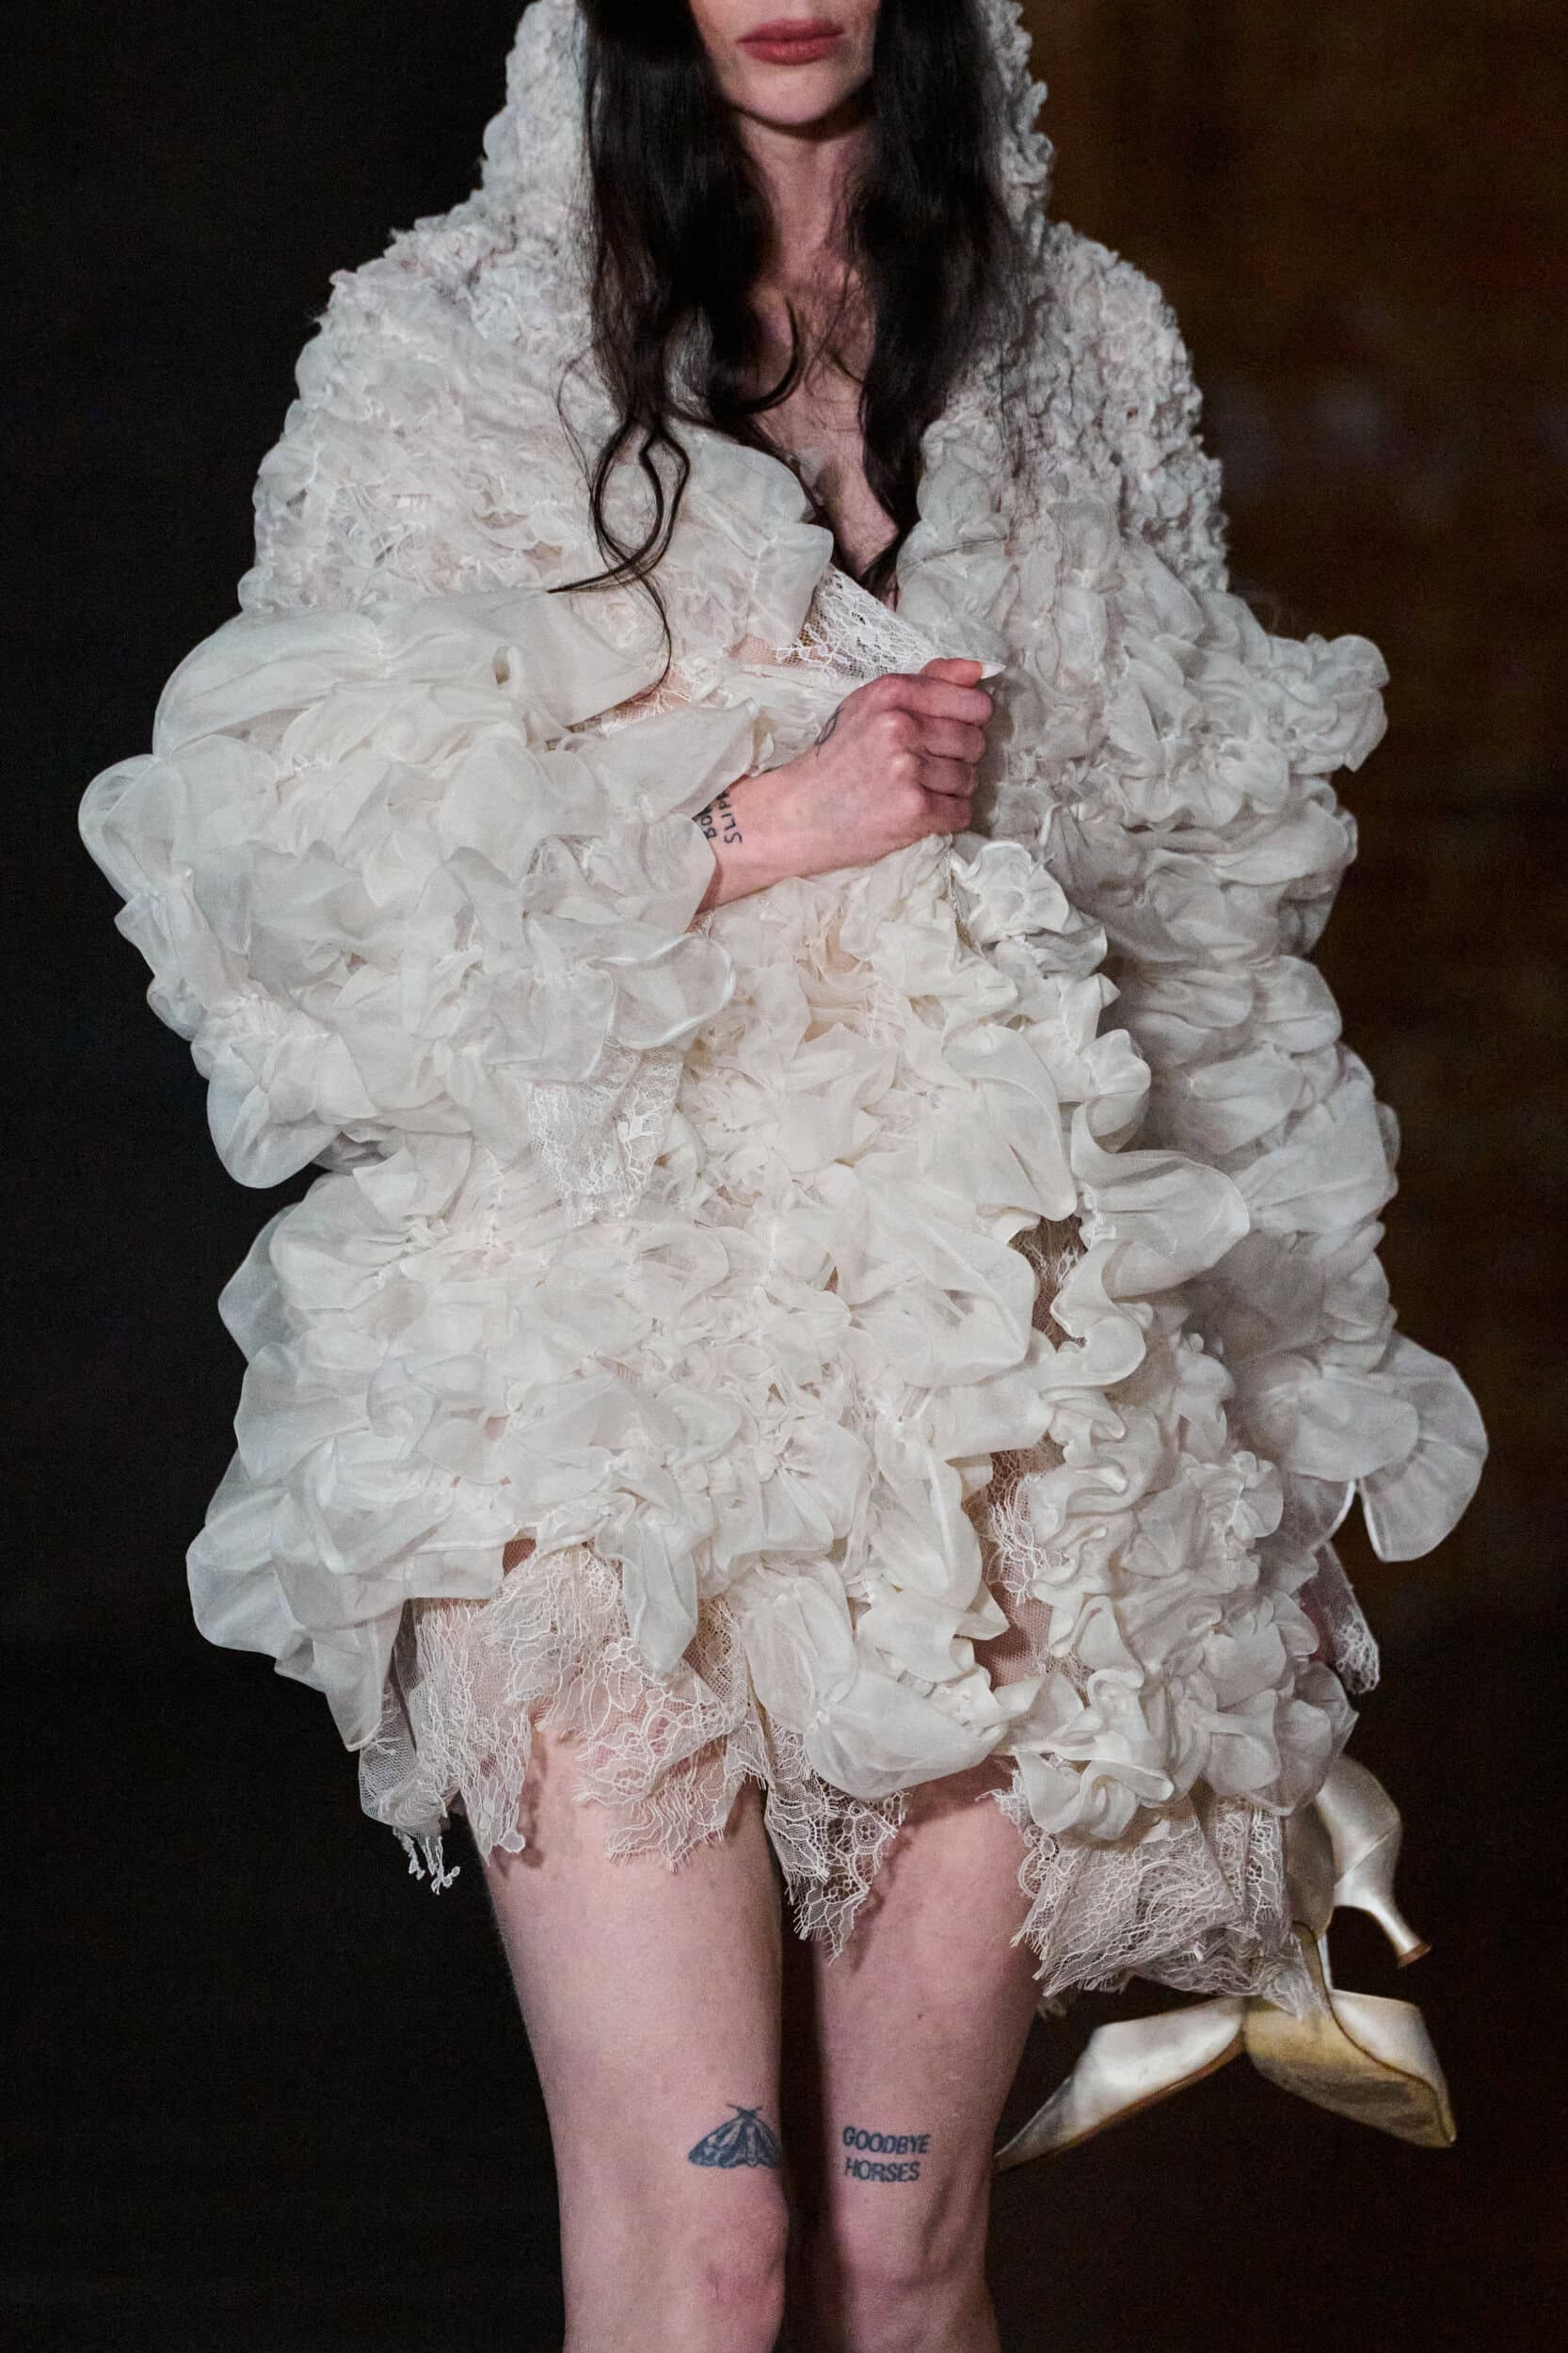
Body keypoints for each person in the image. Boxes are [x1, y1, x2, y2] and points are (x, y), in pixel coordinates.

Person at [80, 5, 1487, 2348]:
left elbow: (1200, 925)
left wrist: (1259, 1413)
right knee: (710, 2250)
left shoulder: (1078, 344)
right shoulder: (454, 346)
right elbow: (307, 888)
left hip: (1000, 1394)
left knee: (900, 2246)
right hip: (592, 1373)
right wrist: (766, 821)